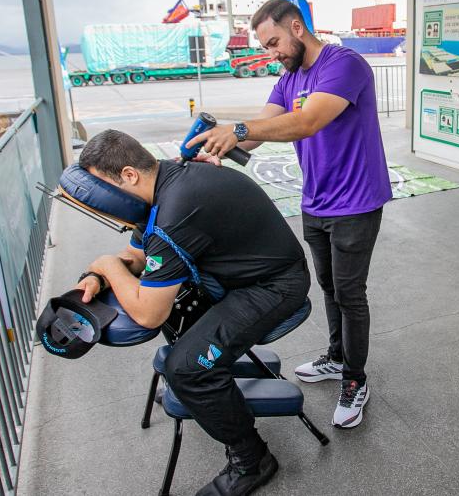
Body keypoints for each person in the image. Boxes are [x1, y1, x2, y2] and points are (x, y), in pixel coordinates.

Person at [187, 0, 392, 429]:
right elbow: (260, 130)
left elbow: (306, 122)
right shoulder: (289, 78)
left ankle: (355, 379)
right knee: (330, 287)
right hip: (315, 201)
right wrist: (216, 148)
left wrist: (238, 130)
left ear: (297, 28)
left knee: (350, 293)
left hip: (356, 203)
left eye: (274, 42)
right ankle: (337, 357)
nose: (272, 53)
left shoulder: (344, 65)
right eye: (266, 46)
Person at [74, 130, 310, 496]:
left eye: (100, 189)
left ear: (129, 175)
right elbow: (137, 255)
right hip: (235, 275)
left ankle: (252, 460)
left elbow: (148, 315)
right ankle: (209, 396)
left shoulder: (176, 211)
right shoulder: (163, 185)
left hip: (274, 285)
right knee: (182, 323)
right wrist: (100, 276)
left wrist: (107, 265)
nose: (99, 201)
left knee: (187, 369)